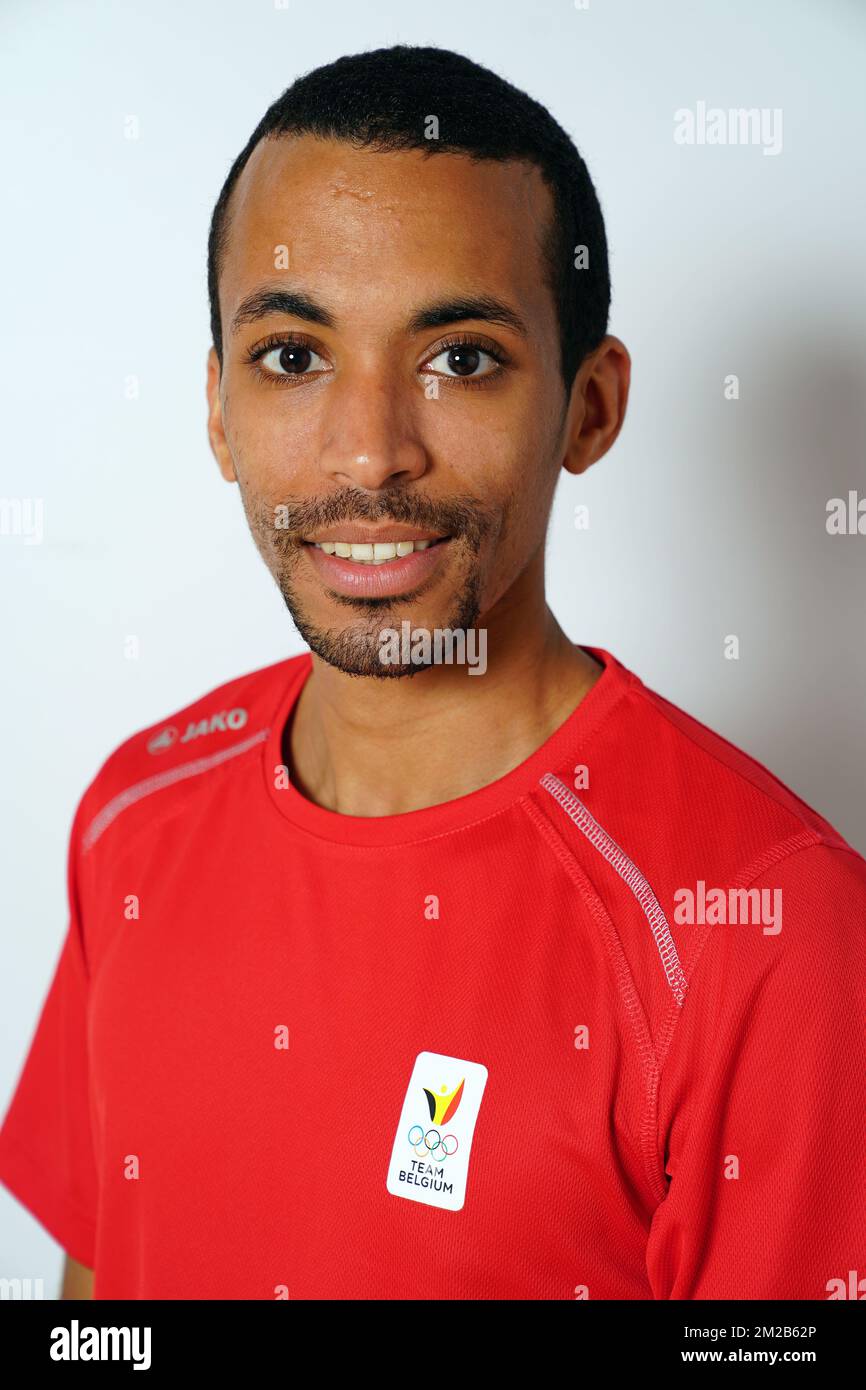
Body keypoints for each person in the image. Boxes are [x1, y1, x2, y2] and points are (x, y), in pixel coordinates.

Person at [1, 45, 863, 1301]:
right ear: (217, 410)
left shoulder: (773, 938)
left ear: (587, 406)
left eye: (458, 356)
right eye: (294, 357)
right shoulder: (136, 811)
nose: (370, 452)